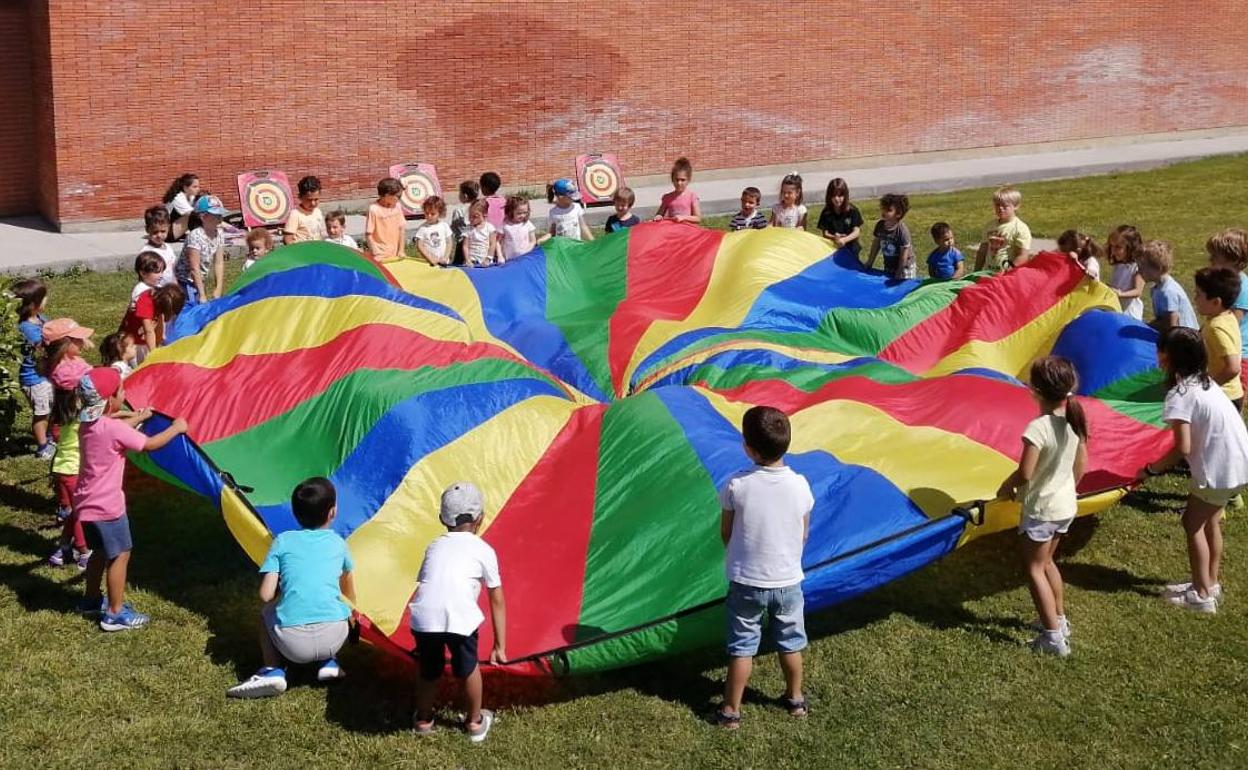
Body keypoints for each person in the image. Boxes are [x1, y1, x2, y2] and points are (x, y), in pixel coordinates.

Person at [714, 406, 813, 729]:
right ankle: (795, 699)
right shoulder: (800, 485)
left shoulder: (736, 485)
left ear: (748, 448)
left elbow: (726, 531)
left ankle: (731, 711)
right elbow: (804, 531)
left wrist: (739, 552)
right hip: (787, 582)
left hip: (747, 582)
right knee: (791, 642)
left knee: (742, 648)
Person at [1141, 328, 1248, 613]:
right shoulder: (1206, 384)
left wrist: (1151, 470)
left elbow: (1182, 447)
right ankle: (1209, 583)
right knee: (1211, 522)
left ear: (1168, 357)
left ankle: (1202, 596)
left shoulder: (1181, 394)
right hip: (1238, 464)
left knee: (1192, 523)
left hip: (1219, 470)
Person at [76, 366, 188, 630]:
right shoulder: (112, 429)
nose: (124, 393)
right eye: (121, 390)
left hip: (85, 503)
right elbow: (148, 445)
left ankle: (90, 600)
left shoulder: (87, 424)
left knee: (100, 551)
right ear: (111, 398)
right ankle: (115, 613)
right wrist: (176, 429)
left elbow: (113, 425)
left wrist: (139, 416)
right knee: (120, 554)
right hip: (107, 505)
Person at [227, 477, 357, 699]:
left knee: (266, 613)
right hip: (336, 636)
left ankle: (272, 670)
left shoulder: (283, 542)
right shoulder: (339, 543)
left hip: (292, 645)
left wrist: (282, 593)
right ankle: (328, 662)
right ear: (333, 512)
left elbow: (265, 595)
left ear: (294, 513)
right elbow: (349, 594)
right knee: (334, 603)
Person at [996, 357, 1088, 657]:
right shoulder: (1073, 420)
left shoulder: (1039, 428)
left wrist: (1008, 486)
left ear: (1034, 390)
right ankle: (1058, 619)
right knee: (1048, 562)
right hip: (1065, 505)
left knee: (1034, 568)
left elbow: (1025, 472)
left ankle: (1053, 638)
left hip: (1042, 510)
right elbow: (1080, 466)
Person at [409, 482, 506, 743]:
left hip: (423, 618)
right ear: (480, 518)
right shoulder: (484, 550)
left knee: (429, 669)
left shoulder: (433, 546)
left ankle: (423, 719)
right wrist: (499, 646)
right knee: (467, 668)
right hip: (461, 619)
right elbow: (496, 598)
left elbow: (427, 585)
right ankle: (474, 722)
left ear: (442, 518)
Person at [12, 278, 55, 459]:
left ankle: (50, 437)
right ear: (32, 305)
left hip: (45, 376)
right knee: (41, 414)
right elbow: (45, 346)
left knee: (50, 408)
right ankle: (43, 447)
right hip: (34, 380)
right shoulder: (27, 328)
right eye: (43, 298)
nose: (47, 300)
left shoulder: (39, 319)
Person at [1205, 228, 1248, 400]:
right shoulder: (1227, 283)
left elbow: (1232, 322)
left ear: (1234, 260)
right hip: (1224, 348)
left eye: (1215, 257)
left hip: (1240, 354)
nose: (1210, 260)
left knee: (1231, 397)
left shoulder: (1242, 288)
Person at [1193, 267, 1244, 411]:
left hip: (1225, 396)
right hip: (1229, 394)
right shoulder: (1227, 316)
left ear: (1216, 302)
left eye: (1198, 294)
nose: (1195, 299)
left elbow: (1233, 367)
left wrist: (1208, 386)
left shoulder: (1216, 328)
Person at [176, 195, 228, 306]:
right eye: (215, 215)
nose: (220, 218)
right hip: (186, 281)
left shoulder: (219, 234)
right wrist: (202, 295)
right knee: (193, 308)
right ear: (203, 217)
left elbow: (219, 262)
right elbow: (194, 268)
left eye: (220, 214)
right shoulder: (195, 236)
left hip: (199, 280)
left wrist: (218, 288)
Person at [1139, 240, 1198, 332]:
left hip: (1184, 338)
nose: (1139, 271)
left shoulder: (1168, 292)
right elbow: (1162, 319)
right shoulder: (1158, 288)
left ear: (1158, 268)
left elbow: (1171, 323)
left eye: (1143, 267)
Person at [120, 252, 165, 364]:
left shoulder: (153, 287)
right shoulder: (143, 292)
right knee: (140, 367)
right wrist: (153, 352)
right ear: (143, 273)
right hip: (137, 341)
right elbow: (147, 328)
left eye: (162, 271)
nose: (161, 275)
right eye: (156, 272)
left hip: (145, 339)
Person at [974, 186, 1032, 272]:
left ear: (1016, 206)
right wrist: (976, 271)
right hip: (988, 274)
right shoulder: (990, 225)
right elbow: (982, 250)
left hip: (1008, 277)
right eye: (997, 205)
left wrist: (1009, 272)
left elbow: (1023, 256)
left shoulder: (1020, 228)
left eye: (1005, 205)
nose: (1000, 208)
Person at [867, 193, 914, 280]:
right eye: (883, 209)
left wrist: (899, 271)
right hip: (889, 265)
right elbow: (876, 244)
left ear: (898, 214)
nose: (884, 212)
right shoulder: (880, 226)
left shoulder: (902, 231)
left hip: (905, 267)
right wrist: (870, 262)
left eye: (888, 210)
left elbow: (904, 254)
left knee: (902, 289)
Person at [816, 178, 864, 260]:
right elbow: (825, 233)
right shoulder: (826, 212)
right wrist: (834, 237)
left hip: (851, 248)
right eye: (834, 196)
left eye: (840, 196)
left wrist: (844, 240)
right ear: (829, 196)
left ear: (846, 195)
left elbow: (857, 231)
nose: (837, 199)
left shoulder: (852, 210)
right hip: (832, 248)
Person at [1107, 225, 1145, 319]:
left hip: (1130, 313)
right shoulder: (1119, 266)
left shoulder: (1137, 267)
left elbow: (1138, 291)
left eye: (1118, 247)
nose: (1113, 251)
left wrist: (1121, 294)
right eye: (1112, 246)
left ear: (1130, 248)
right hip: (1117, 309)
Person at [365, 177, 407, 262]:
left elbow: (401, 229)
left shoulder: (397, 206)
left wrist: (401, 250)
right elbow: (368, 234)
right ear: (387, 195)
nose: (399, 198)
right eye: (397, 196)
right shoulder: (374, 209)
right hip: (381, 255)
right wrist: (376, 252)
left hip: (395, 253)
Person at [653, 157, 701, 223]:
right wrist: (658, 217)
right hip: (673, 230)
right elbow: (659, 214)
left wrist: (683, 217)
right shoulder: (667, 197)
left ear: (688, 180)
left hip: (688, 230)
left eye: (683, 180)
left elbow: (698, 218)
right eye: (677, 179)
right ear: (672, 179)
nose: (679, 183)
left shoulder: (692, 196)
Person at [138, 206, 176, 286]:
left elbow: (173, 271)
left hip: (169, 289)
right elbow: (143, 278)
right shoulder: (146, 252)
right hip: (155, 292)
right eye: (155, 232)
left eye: (163, 231)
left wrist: (175, 285)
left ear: (168, 227)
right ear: (147, 230)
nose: (159, 235)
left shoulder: (168, 248)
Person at [283, 175, 326, 244]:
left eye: (316, 199)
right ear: (300, 197)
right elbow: (287, 239)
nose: (313, 203)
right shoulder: (295, 214)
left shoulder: (317, 211)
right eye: (309, 200)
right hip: (302, 252)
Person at [413, 196, 453, 267]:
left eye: (432, 214)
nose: (429, 216)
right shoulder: (423, 228)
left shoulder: (444, 226)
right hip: (429, 264)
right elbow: (419, 245)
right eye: (426, 213)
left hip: (443, 262)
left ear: (440, 213)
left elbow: (449, 242)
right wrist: (430, 259)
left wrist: (446, 257)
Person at [162, 172, 200, 241]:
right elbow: (194, 214)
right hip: (167, 233)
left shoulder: (191, 196)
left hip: (177, 231)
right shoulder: (178, 197)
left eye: (198, 186)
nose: (198, 189)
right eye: (195, 187)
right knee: (194, 215)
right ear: (185, 188)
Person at [451, 180, 482, 264]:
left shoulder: (458, 210)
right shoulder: (480, 207)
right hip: (478, 240)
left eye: (459, 193)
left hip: (462, 242)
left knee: (459, 265)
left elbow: (454, 227)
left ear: (465, 196)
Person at [462, 200, 501, 267]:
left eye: (475, 216)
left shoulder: (489, 228)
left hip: (485, 262)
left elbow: (492, 244)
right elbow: (465, 246)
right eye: (470, 216)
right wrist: (467, 260)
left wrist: (488, 259)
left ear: (484, 215)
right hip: (471, 262)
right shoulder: (468, 229)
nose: (471, 219)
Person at [500, 196, 537, 260]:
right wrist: (500, 256)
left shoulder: (527, 224)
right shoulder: (505, 225)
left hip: (525, 258)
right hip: (509, 259)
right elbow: (498, 241)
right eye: (519, 213)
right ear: (511, 211)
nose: (522, 215)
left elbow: (533, 240)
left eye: (525, 212)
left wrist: (528, 250)